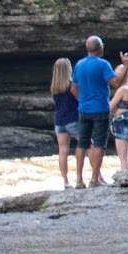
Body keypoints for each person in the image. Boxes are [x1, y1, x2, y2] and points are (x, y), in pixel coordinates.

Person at [73, 36, 128, 188]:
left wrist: (81, 101)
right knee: (99, 144)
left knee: (82, 144)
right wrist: (126, 66)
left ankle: (78, 179)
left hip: (83, 110)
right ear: (100, 48)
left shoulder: (79, 65)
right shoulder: (103, 64)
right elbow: (116, 83)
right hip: (100, 110)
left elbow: (74, 88)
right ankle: (94, 179)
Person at [50, 58, 80, 189]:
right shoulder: (72, 85)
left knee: (63, 151)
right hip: (73, 120)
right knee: (89, 146)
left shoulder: (54, 87)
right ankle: (85, 177)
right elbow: (79, 100)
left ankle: (66, 182)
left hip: (59, 121)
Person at [109, 63, 128, 172]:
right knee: (127, 158)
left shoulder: (123, 89)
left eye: (117, 75)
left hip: (121, 122)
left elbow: (109, 106)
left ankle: (124, 180)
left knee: (122, 158)